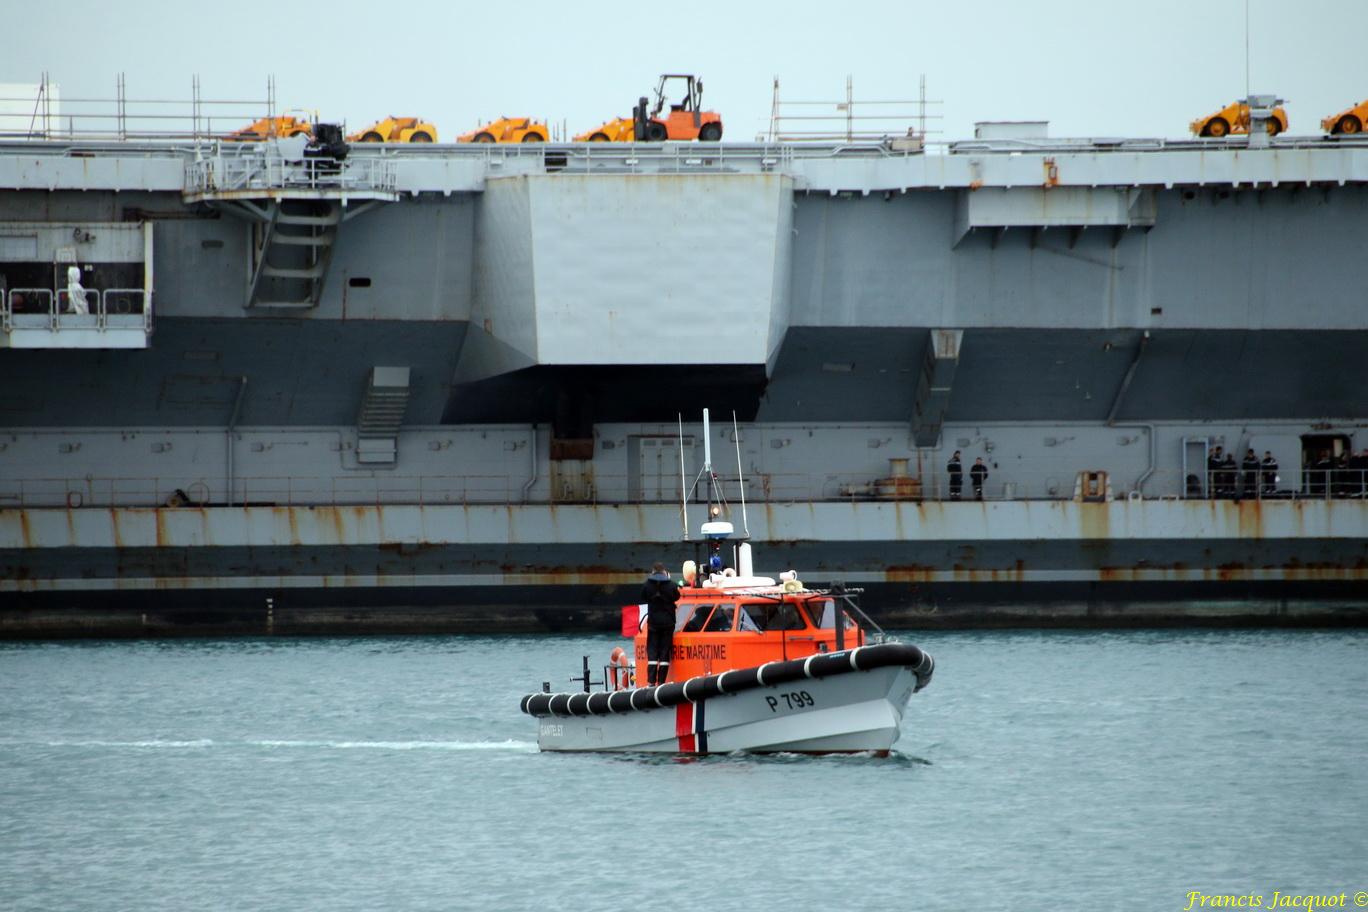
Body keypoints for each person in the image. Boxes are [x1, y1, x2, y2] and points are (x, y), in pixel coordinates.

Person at [639, 561, 680, 686]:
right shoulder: (671, 585)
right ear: (664, 572)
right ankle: (661, 682)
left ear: (653, 571)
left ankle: (651, 681)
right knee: (664, 653)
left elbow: (643, 597)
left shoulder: (647, 585)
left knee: (652, 651)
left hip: (653, 624)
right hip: (668, 623)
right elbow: (677, 596)